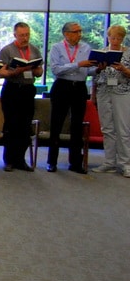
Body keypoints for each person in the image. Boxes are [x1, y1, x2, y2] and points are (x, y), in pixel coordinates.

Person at [47, 22, 97, 174]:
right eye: (76, 32)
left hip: (79, 88)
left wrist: (97, 69)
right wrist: (77, 64)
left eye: (80, 31)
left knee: (77, 125)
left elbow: (88, 71)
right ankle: (52, 161)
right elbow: (56, 69)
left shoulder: (86, 48)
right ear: (66, 34)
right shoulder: (57, 48)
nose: (79, 34)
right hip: (62, 86)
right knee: (57, 124)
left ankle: (75, 162)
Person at [0, 22, 43, 172]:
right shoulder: (7, 50)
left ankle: (20, 159)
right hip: (12, 89)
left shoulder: (34, 50)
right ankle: (9, 160)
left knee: (25, 125)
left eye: (27, 34)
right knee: (11, 125)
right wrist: (15, 72)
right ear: (15, 35)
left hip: (28, 90)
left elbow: (40, 71)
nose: (25, 38)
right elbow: (0, 73)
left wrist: (34, 69)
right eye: (22, 35)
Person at [93, 25, 130, 177]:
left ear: (123, 38)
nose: (114, 41)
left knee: (123, 128)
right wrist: (99, 69)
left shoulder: (128, 53)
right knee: (107, 128)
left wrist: (124, 69)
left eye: (118, 38)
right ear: (108, 37)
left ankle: (125, 163)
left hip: (122, 91)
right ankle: (109, 162)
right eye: (112, 37)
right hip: (103, 91)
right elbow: (95, 75)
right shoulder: (102, 52)